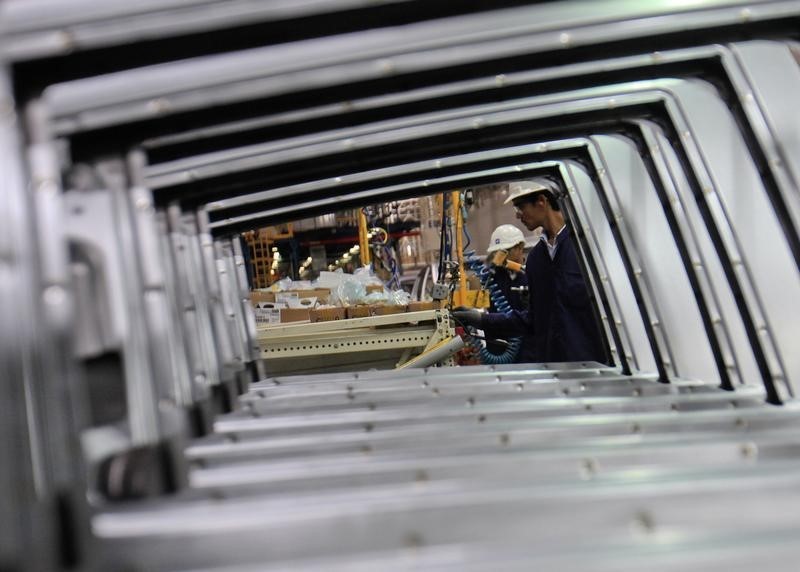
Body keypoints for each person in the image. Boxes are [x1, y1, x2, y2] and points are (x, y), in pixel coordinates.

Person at [453, 181, 606, 364]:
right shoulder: (536, 259)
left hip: (593, 364)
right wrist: (481, 319)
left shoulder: (586, 247)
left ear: (541, 201)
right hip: (552, 366)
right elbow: (531, 320)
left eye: (520, 206)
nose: (517, 214)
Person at [482, 224, 529, 356]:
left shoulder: (531, 274)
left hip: (526, 347)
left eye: (505, 251)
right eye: (498, 252)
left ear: (520, 248)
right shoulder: (491, 278)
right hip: (498, 348)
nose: (501, 256)